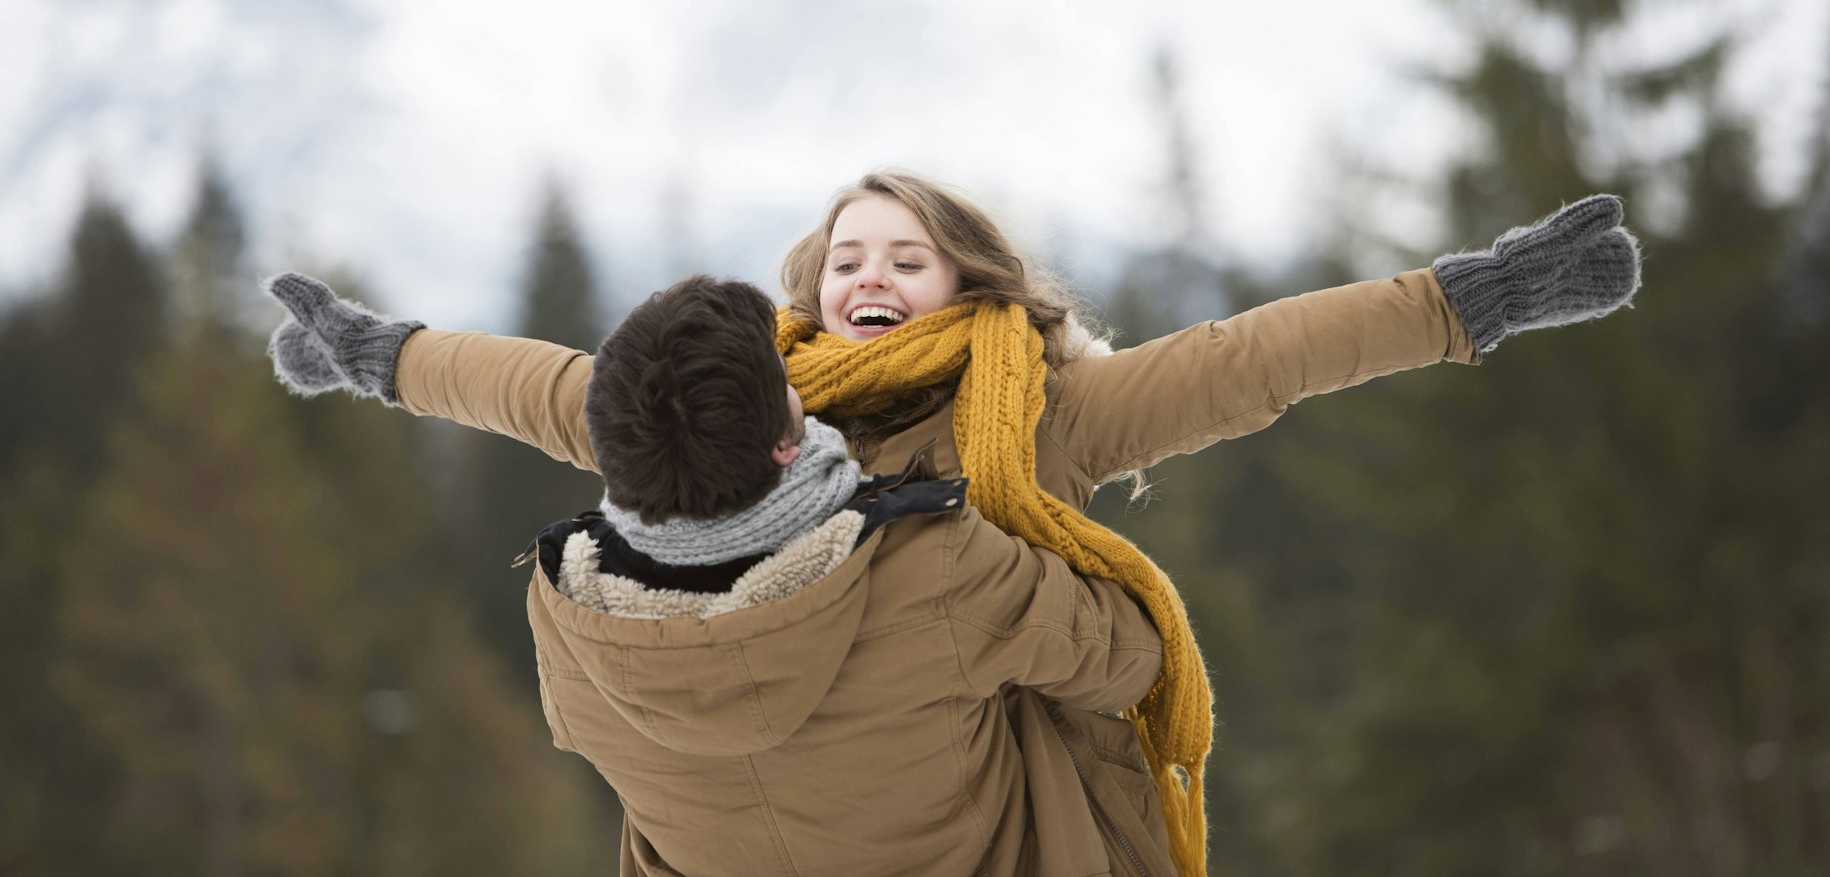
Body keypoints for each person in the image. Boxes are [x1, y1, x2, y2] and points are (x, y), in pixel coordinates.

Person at [266, 172, 1642, 876]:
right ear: (804, 296)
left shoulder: (1039, 415)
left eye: (905, 255)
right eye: (844, 254)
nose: (871, 270)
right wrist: (379, 353)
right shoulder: (714, 407)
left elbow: (1247, 358)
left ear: (968, 283)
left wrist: (1468, 300)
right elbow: (528, 381)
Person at [267, 272, 1167, 876]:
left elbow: (544, 389)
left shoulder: (573, 628)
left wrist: (392, 359)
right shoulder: (936, 571)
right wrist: (1029, 511)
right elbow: (1129, 660)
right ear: (785, 440)